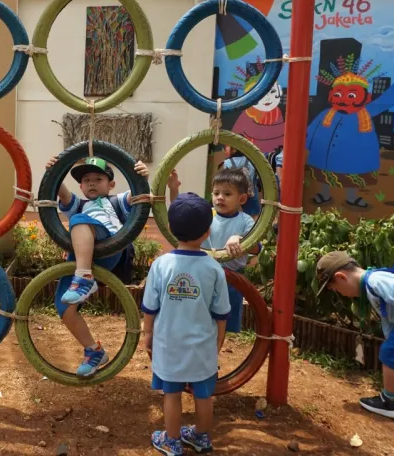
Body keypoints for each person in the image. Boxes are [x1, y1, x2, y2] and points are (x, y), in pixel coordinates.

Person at [143, 192, 230, 456]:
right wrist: (218, 342)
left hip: (169, 344)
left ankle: (172, 441)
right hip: (203, 345)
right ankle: (201, 438)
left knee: (172, 394)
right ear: (207, 232)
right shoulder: (214, 268)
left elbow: (150, 307)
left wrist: (148, 334)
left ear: (170, 229)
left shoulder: (161, 265)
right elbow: (221, 313)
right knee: (204, 395)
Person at [47, 155, 149, 377]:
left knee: (79, 221)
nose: (91, 182)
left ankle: (84, 277)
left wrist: (142, 174)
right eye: (86, 180)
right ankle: (94, 351)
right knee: (64, 308)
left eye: (98, 178)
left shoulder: (116, 202)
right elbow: (61, 193)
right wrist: (55, 171)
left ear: (110, 184)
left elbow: (139, 195)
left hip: (109, 249)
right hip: (78, 259)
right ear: (81, 186)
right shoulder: (79, 205)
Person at [316, 251, 394, 420]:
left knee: (390, 353)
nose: (339, 293)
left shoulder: (376, 280)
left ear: (342, 277)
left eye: (335, 288)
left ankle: (391, 401)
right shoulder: (374, 281)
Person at [167, 168, 261, 334]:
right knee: (200, 318)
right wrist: (173, 189)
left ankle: (215, 353)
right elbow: (180, 215)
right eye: (216, 193)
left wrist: (240, 239)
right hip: (204, 274)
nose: (220, 198)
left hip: (232, 278)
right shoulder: (207, 214)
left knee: (225, 324)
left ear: (242, 199)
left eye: (227, 194)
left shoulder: (245, 220)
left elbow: (256, 247)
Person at [221, 145, 260, 218]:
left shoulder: (228, 162)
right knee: (253, 217)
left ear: (234, 149)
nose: (225, 149)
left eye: (227, 146)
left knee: (234, 216)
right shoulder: (251, 160)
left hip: (234, 195)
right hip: (250, 193)